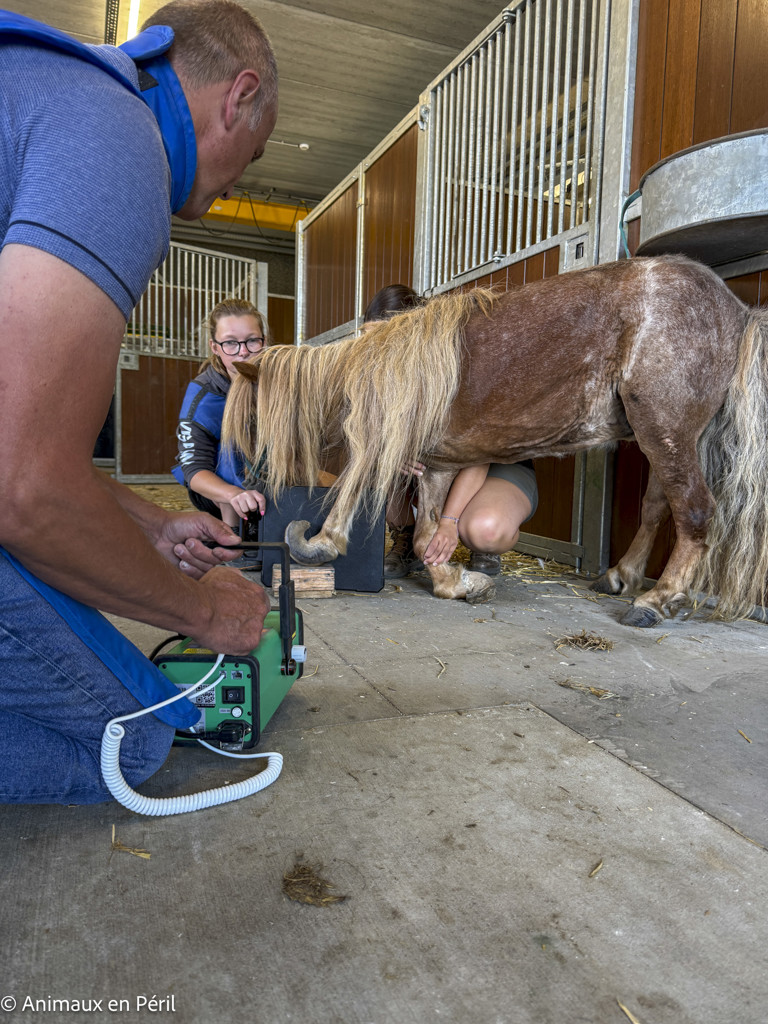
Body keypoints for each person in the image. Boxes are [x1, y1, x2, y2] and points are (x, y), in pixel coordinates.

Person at [0, 1, 279, 804]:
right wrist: (206, 615)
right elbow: (25, 489)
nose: (237, 185)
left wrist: (152, 527)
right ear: (238, 96)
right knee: (134, 739)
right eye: (254, 153)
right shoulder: (118, 140)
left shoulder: (46, 89)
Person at [363, 286, 539, 579]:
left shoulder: (456, 365)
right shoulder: (380, 377)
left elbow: (477, 456)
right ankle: (406, 537)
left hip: (492, 466)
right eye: (370, 336)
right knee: (377, 463)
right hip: (432, 471)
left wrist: (448, 521)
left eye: (386, 337)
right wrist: (391, 453)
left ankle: (480, 544)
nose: (375, 349)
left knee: (484, 530)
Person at [173, 298, 270, 536]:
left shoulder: (277, 381)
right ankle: (232, 532)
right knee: (229, 442)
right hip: (222, 491)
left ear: (264, 341)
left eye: (252, 340)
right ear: (215, 347)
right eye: (230, 343)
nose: (243, 352)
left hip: (267, 480)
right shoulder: (203, 396)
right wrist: (233, 494)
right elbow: (194, 469)